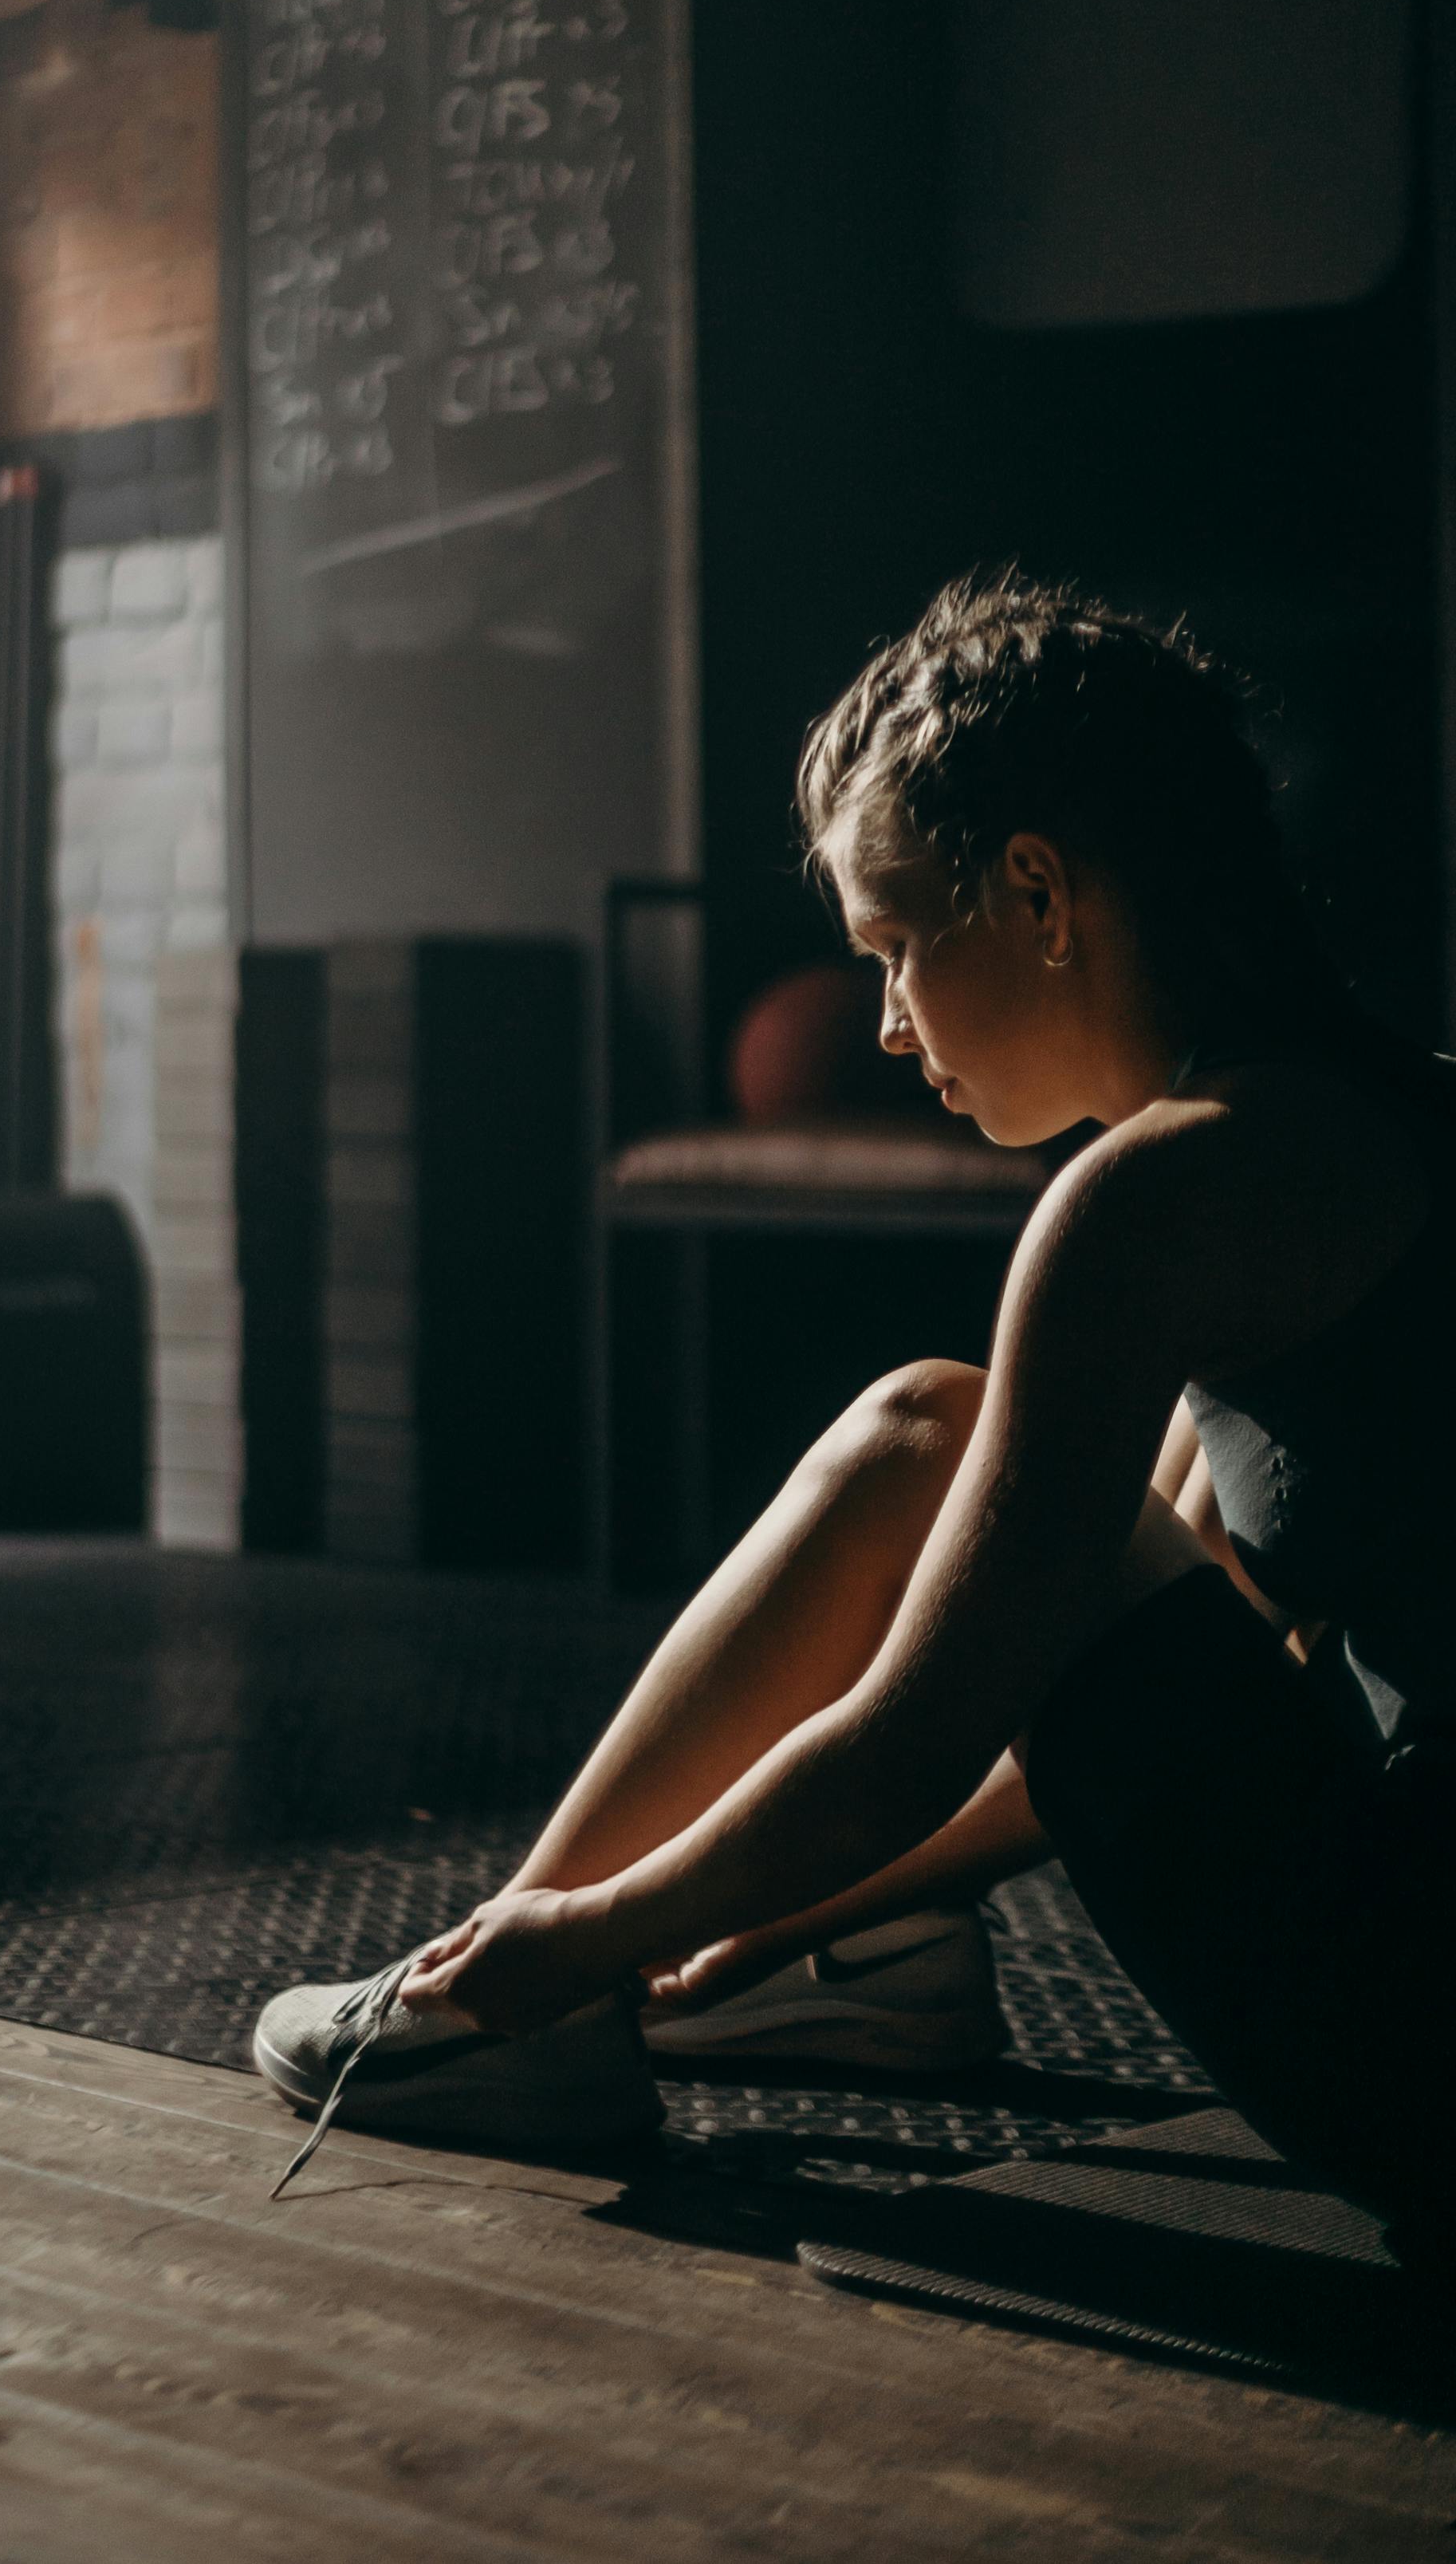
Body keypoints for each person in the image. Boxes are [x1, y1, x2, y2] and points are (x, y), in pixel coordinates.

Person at [254, 573, 1456, 2255]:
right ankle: (688, 1984)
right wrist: (782, 1924)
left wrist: (595, 1930)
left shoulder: (1153, 1202)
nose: (887, 1023)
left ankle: (498, 1998)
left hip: (1424, 2059)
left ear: (1038, 890)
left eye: (896, 945)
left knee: (917, 1432)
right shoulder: (1365, 1110)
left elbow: (930, 1722)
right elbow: (1155, 1644)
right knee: (954, 1435)